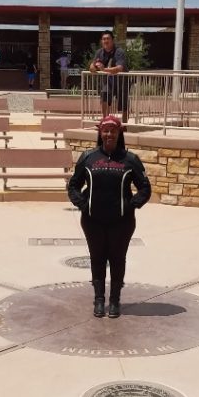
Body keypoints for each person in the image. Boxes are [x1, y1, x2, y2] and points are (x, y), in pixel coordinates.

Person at [67, 115, 151, 319]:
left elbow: (145, 188)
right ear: (100, 133)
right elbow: (73, 185)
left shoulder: (130, 159)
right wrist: (82, 204)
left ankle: (114, 300)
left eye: (113, 131)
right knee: (97, 259)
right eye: (105, 130)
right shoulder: (88, 157)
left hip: (121, 222)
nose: (109, 134)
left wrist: (131, 205)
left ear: (119, 133)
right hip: (92, 220)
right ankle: (98, 300)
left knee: (117, 259)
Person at [89, 30, 128, 121]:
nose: (106, 41)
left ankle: (124, 125)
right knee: (104, 95)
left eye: (108, 39)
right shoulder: (99, 52)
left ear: (112, 40)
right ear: (101, 41)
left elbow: (119, 68)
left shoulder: (119, 51)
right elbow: (92, 65)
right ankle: (105, 121)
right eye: (104, 39)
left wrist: (104, 69)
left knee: (123, 104)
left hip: (121, 81)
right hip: (108, 81)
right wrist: (93, 67)